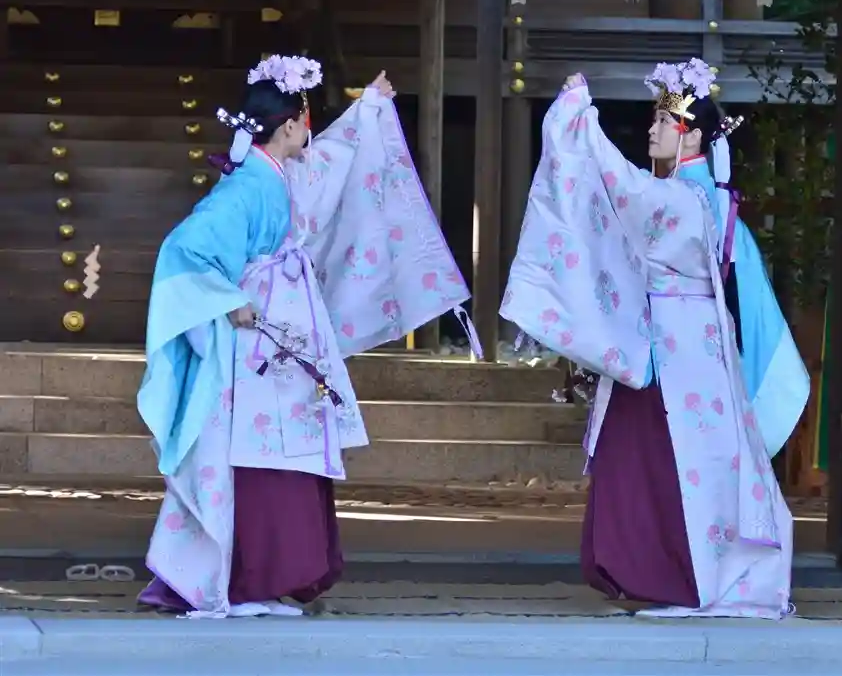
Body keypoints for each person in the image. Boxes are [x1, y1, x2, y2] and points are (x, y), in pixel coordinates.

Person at [136, 58, 472, 618]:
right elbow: (185, 249)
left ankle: (258, 580)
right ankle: (241, 582)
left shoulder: (275, 173)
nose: (310, 133)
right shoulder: (249, 185)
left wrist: (368, 109)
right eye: (305, 121)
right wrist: (229, 300)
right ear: (290, 124)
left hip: (279, 340)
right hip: (254, 346)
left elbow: (333, 162)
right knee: (256, 456)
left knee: (280, 452)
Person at [501, 59, 808, 619]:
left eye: (665, 121)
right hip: (680, 346)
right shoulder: (700, 195)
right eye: (656, 119)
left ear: (692, 136)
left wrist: (582, 121)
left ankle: (678, 575)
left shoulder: (686, 199)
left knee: (668, 462)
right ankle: (665, 570)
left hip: (680, 348)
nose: (652, 129)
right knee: (667, 459)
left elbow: (620, 185)